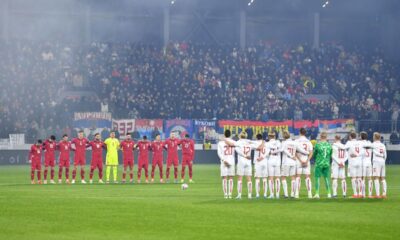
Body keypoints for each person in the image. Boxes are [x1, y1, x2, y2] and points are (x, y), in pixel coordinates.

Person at [280, 131, 309, 198]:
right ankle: (292, 194)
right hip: (293, 162)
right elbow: (301, 150)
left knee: (283, 177)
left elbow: (282, 150)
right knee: (293, 177)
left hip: (286, 162)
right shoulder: (294, 142)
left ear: (283, 136)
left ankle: (286, 194)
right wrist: (307, 152)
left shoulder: (284, 143)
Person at [227, 132, 254, 199]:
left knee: (240, 178)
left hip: (241, 161)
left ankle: (239, 194)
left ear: (240, 136)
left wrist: (225, 140)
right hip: (248, 161)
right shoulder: (249, 142)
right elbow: (257, 146)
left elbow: (232, 145)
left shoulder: (238, 142)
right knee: (249, 178)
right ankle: (250, 195)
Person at [294, 128, 313, 198]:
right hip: (306, 159)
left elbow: (294, 152)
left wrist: (300, 160)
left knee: (298, 176)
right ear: (305, 133)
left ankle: (296, 194)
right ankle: (310, 194)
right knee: (307, 177)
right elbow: (311, 153)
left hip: (299, 159)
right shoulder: (309, 142)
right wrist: (307, 161)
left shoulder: (296, 141)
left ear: (300, 132)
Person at [343, 132, 363, 198]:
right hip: (359, 162)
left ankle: (355, 194)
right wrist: (357, 155)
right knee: (359, 178)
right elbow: (363, 151)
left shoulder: (349, 142)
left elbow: (343, 148)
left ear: (350, 137)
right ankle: (360, 193)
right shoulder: (360, 143)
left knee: (353, 178)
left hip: (352, 162)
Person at [312, 132, 332, 199]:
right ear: (326, 137)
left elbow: (314, 154)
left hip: (319, 163)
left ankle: (317, 193)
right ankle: (329, 193)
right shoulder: (329, 145)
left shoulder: (318, 145)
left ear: (320, 137)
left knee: (317, 178)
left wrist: (317, 158)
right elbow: (331, 154)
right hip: (326, 163)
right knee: (326, 178)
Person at [217, 130, 235, 199]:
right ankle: (230, 194)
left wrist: (224, 160)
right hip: (231, 161)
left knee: (224, 178)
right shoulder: (233, 142)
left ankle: (225, 195)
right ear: (230, 135)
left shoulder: (220, 143)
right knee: (231, 178)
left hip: (224, 162)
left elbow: (219, 153)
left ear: (224, 134)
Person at [266, 132, 282, 199]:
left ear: (269, 137)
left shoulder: (267, 144)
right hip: (278, 161)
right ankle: (277, 194)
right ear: (275, 136)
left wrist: (271, 152)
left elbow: (267, 153)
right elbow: (281, 150)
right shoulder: (279, 142)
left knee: (271, 178)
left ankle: (272, 194)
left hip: (270, 160)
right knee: (277, 178)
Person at [253, 134, 269, 199]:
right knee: (265, 178)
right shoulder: (266, 144)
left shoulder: (255, 143)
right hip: (265, 162)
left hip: (257, 162)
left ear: (256, 138)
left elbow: (257, 148)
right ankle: (265, 194)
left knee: (257, 178)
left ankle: (257, 194)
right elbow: (268, 152)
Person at [372, 132, 387, 198]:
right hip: (382, 161)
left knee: (376, 177)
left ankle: (377, 195)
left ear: (375, 137)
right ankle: (384, 194)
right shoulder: (383, 145)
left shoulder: (373, 144)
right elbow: (385, 154)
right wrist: (383, 160)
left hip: (376, 161)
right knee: (383, 178)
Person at [360, 132, 373, 198]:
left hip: (363, 162)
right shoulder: (370, 143)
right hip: (369, 162)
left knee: (363, 178)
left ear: (361, 137)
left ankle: (363, 194)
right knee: (370, 178)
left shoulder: (360, 143)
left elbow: (360, 153)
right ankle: (370, 194)